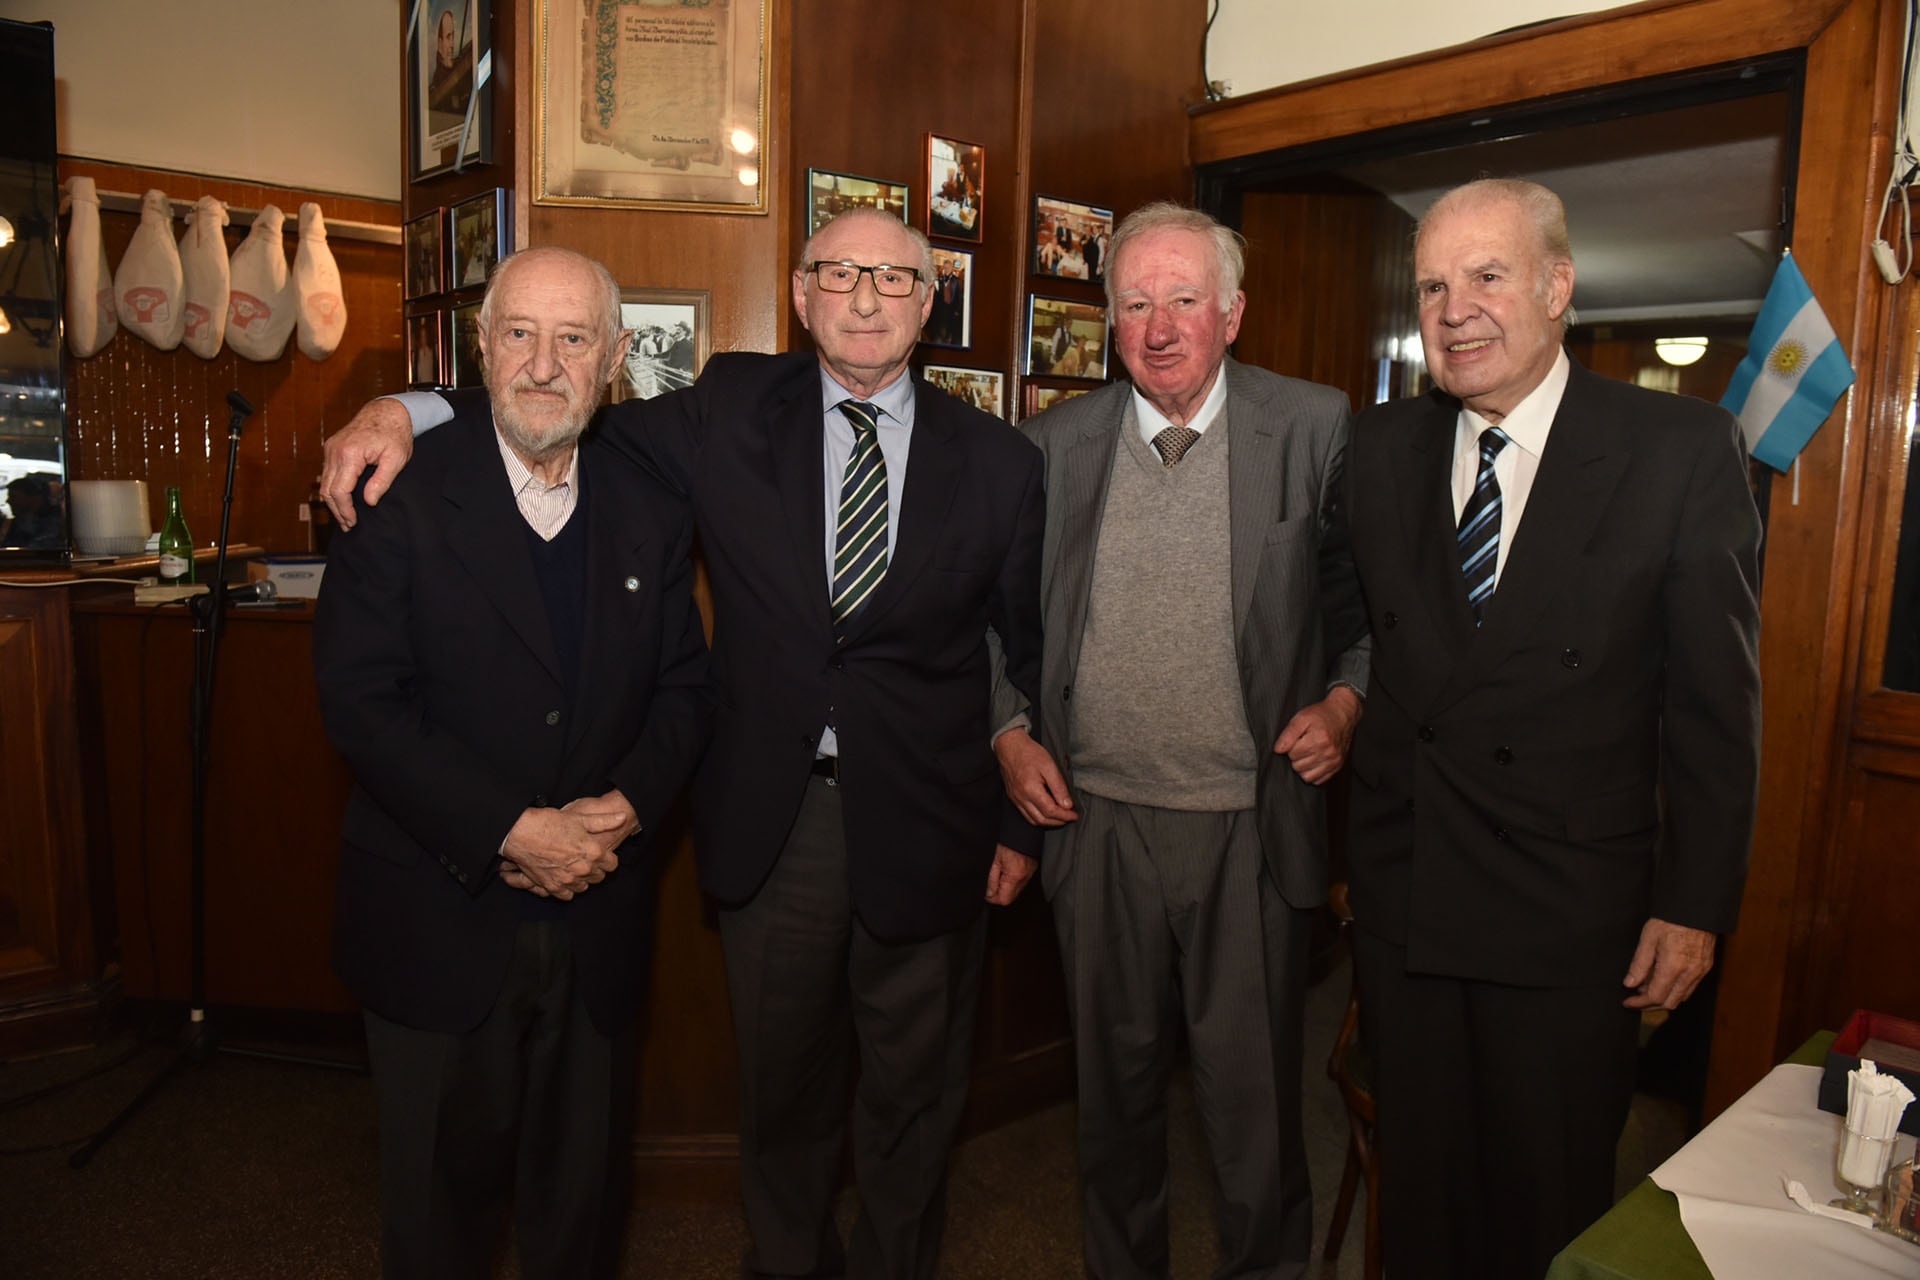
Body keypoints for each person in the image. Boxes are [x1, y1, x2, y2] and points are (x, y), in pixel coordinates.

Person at [317, 209, 1047, 1280]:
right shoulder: (730, 407)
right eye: (837, 272)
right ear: (799, 296)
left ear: (929, 302)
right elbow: (549, 404)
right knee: (783, 1091)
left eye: (893, 278)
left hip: (933, 823)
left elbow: (1012, 650)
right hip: (776, 822)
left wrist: (1007, 818)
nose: (863, 297)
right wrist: (402, 403)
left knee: (916, 1096)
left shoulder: (1002, 460)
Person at [1343, 178, 1761, 1280]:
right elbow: (1358, 639)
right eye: (1433, 283)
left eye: (1487, 275)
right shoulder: (1378, 448)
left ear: (1557, 287)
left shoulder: (1678, 448)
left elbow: (1718, 709)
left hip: (1572, 916)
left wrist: (1694, 902)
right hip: (1411, 895)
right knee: (1420, 1203)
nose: (1455, 307)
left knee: (1544, 1204)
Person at [312, 246, 712, 1278]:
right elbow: (362, 703)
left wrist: (625, 810)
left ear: (616, 357)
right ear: (480, 347)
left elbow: (684, 690)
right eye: (519, 333)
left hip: (599, 927)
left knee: (579, 1218)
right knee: (438, 1224)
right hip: (438, 925)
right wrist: (510, 828)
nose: (544, 362)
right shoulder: (391, 491)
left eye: (574, 338)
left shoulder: (651, 506)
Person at [991, 202, 1369, 1279]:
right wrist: (1008, 733)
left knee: (1251, 1112)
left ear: (1234, 312)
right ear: (1109, 319)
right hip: (1093, 823)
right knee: (1111, 1102)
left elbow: (1373, 613)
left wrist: (1346, 705)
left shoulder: (1314, 426)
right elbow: (990, 620)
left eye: (1186, 300)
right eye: (1136, 303)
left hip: (1249, 825)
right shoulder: (1052, 446)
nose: (1160, 327)